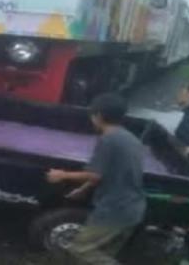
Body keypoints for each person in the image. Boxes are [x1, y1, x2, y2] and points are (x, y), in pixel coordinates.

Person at [46, 93, 147, 265]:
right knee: (101, 254)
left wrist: (61, 175)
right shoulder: (130, 138)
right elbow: (109, 172)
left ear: (98, 116)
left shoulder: (108, 140)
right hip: (133, 208)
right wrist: (83, 189)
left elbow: (95, 174)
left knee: (80, 249)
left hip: (115, 210)